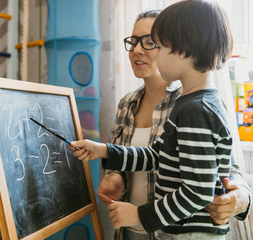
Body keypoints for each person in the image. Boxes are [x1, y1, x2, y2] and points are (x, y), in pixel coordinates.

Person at [70, 1, 251, 239]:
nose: (138, 50)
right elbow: (157, 154)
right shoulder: (186, 103)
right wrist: (104, 151)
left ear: (183, 49)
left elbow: (201, 189)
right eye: (133, 42)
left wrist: (139, 216)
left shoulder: (195, 110)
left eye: (157, 45)